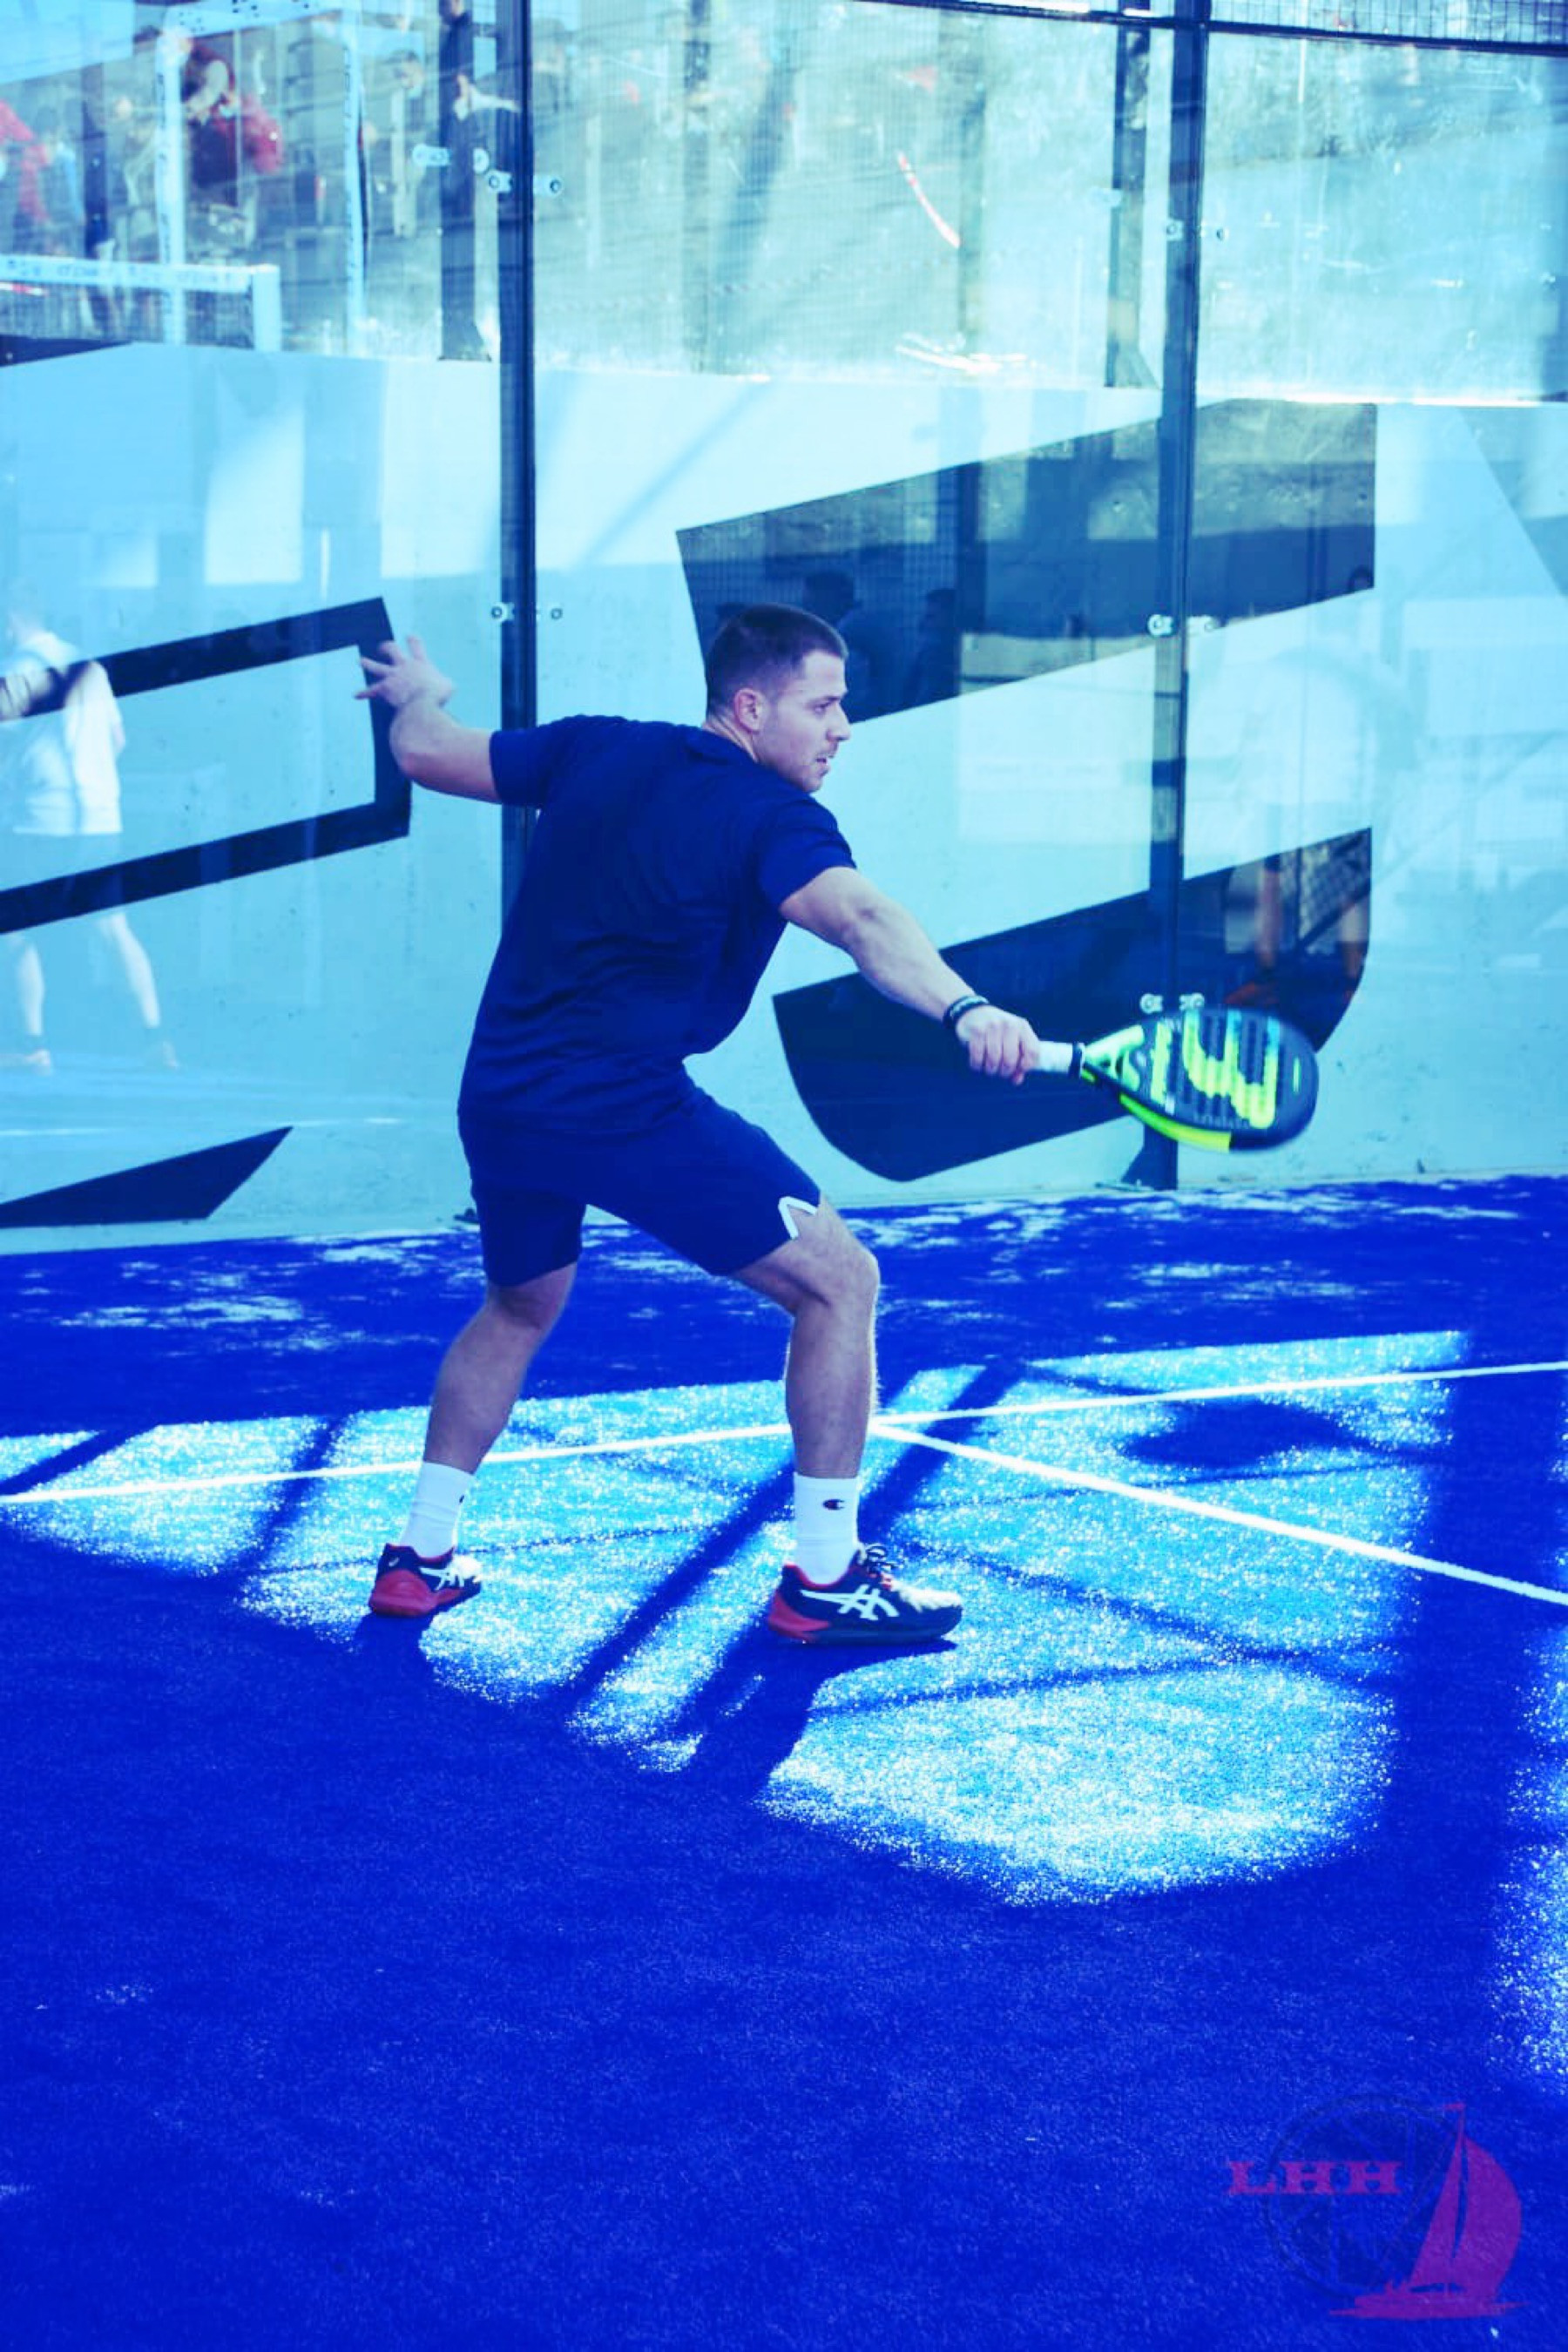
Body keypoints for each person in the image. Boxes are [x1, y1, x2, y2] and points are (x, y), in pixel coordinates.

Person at [356, 605, 1067, 1641]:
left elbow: (424, 752)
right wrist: (965, 1007)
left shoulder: (595, 747)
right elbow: (862, 918)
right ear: (750, 707)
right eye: (823, 704)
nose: (843, 727)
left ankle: (420, 1556)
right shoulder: (773, 818)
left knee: (518, 1306)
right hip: (621, 1104)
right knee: (841, 1282)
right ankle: (825, 1576)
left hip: (504, 1094)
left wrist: (419, 693)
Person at [0, 588, 175, 1073]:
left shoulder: (16, 668)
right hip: (100, 821)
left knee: (15, 932)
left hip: (38, 822)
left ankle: (32, 1045)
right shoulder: (90, 668)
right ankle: (156, 1040)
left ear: (10, 619)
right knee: (114, 930)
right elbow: (118, 740)